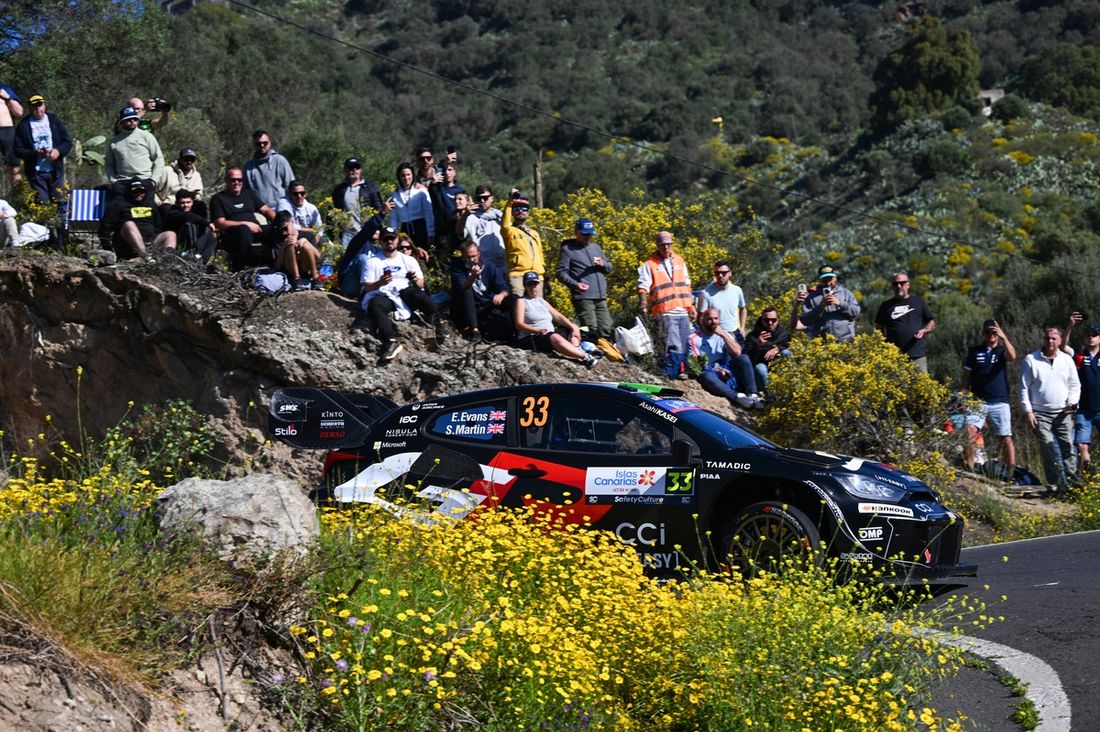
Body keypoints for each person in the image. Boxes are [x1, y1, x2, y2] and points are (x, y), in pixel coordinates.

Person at [360, 227, 441, 361]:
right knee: (375, 305)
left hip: (404, 291)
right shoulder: (372, 261)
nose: (389, 242)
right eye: (386, 239)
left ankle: (438, 322)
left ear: (397, 240)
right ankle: (390, 340)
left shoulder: (408, 260)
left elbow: (421, 284)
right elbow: (367, 287)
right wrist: (379, 283)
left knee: (417, 294)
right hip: (384, 293)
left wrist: (415, 279)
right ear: (381, 242)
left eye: (392, 239)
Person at [1020, 326, 1080, 489]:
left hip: (1063, 412)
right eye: (1048, 338)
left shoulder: (1067, 360)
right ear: (1044, 339)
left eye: (1054, 338)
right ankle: (1056, 484)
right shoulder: (1031, 360)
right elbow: (1024, 388)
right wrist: (1028, 411)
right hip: (1040, 413)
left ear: (1060, 341)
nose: (1051, 341)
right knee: (1047, 445)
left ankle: (1073, 485)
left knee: (1067, 446)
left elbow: (1075, 385)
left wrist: (1072, 403)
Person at [960, 319, 1017, 475]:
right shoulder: (975, 351)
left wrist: (1004, 337)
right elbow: (966, 375)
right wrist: (964, 396)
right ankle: (971, 468)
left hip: (999, 401)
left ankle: (1011, 473)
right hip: (977, 400)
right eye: (987, 332)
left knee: (1005, 437)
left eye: (994, 332)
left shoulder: (1001, 350)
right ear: (983, 333)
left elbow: (1012, 356)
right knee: (970, 430)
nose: (991, 335)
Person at [637, 230, 695, 379]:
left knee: (685, 341)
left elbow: (687, 284)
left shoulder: (679, 261)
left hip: (682, 308)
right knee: (672, 344)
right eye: (663, 245)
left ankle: (683, 370)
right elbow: (643, 286)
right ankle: (671, 373)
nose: (666, 247)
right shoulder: (650, 264)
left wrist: (691, 306)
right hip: (665, 310)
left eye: (668, 244)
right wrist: (643, 302)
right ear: (657, 245)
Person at [12, 95, 72, 236]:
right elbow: (18, 150)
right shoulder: (24, 125)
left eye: (39, 105)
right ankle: (42, 238)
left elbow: (67, 142)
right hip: (36, 173)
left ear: (44, 105)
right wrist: (34, 154)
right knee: (41, 204)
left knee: (61, 202)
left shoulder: (54, 121)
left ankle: (63, 237)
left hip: (55, 171)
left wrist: (58, 151)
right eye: (34, 105)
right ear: (29, 107)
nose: (37, 108)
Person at [514, 271, 601, 368]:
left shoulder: (541, 301)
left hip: (548, 334)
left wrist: (572, 327)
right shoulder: (521, 301)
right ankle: (585, 357)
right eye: (529, 284)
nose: (533, 287)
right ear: (524, 286)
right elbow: (519, 324)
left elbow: (558, 316)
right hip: (533, 336)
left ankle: (577, 349)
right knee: (555, 336)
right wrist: (537, 330)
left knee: (571, 329)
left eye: (535, 284)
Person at [690, 308, 765, 409]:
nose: (713, 322)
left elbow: (737, 352)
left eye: (716, 318)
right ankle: (737, 397)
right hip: (710, 371)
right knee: (705, 375)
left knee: (743, 358)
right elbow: (696, 365)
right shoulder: (694, 338)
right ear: (703, 320)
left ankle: (752, 394)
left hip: (727, 368)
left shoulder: (725, 334)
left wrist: (723, 335)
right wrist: (716, 369)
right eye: (709, 319)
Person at [210, 166, 276, 271]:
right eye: (233, 180)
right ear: (226, 181)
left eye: (239, 180)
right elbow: (220, 223)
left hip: (255, 229)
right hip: (233, 234)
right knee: (243, 230)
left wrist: (281, 222)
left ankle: (280, 267)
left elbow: (266, 210)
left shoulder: (249, 194)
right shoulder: (218, 199)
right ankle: (245, 270)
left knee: (278, 231)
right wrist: (245, 224)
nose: (237, 183)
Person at [556, 218, 612, 341]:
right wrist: (576, 285)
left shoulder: (596, 247)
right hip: (583, 297)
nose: (587, 237)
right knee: (591, 329)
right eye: (584, 234)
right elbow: (561, 272)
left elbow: (609, 268)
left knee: (606, 328)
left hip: (600, 296)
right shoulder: (567, 249)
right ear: (576, 232)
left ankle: (607, 354)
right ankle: (591, 352)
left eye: (590, 234)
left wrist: (603, 264)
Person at [450, 239, 514, 342]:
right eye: (468, 257)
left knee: (514, 299)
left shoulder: (488, 266)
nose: (472, 259)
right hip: (469, 306)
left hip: (487, 301)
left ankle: (519, 331)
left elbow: (504, 288)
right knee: (467, 290)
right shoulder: (457, 267)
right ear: (462, 257)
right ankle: (474, 330)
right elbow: (463, 286)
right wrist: (473, 276)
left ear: (479, 253)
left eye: (474, 256)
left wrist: (501, 295)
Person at [98, 178, 173, 261]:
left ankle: (168, 259)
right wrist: (107, 246)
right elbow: (106, 225)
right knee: (129, 224)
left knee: (170, 234)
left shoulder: (150, 203)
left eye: (141, 192)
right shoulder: (119, 203)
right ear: (130, 192)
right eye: (135, 192)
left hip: (149, 243)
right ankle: (145, 257)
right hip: (127, 243)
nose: (139, 194)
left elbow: (158, 225)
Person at [874, 271, 936, 372]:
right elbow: (878, 329)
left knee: (921, 386)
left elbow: (931, 323)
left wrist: (924, 331)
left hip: (916, 356)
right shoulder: (886, 306)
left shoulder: (918, 301)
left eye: (902, 283)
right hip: (894, 357)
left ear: (908, 285)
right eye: (895, 284)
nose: (898, 286)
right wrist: (883, 347)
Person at [1064, 315, 1100, 471]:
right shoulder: (1079, 355)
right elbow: (1063, 346)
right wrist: (1070, 325)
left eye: (1094, 335)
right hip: (1084, 409)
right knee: (1081, 444)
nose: (1091, 338)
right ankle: (1088, 476)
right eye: (1088, 336)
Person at [337, 201, 395, 298]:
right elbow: (368, 229)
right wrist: (382, 213)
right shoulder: (359, 242)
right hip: (350, 285)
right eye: (375, 228)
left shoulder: (378, 251)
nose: (376, 231)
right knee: (363, 259)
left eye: (379, 229)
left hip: (371, 286)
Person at [105, 106, 164, 199]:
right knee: (115, 209)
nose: (132, 121)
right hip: (123, 182)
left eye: (135, 119)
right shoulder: (114, 141)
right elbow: (109, 164)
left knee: (150, 210)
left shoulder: (147, 136)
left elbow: (158, 159)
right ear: (122, 122)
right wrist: (114, 181)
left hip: (145, 180)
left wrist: (153, 180)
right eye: (128, 119)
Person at [791, 264, 860, 342]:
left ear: (835, 278)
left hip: (846, 341)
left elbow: (856, 313)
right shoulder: (812, 297)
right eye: (824, 280)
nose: (827, 283)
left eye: (830, 279)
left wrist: (840, 303)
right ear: (820, 280)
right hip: (822, 344)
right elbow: (805, 321)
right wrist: (820, 307)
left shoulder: (846, 293)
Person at [332, 157, 383, 247]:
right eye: (351, 167)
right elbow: (334, 210)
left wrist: (377, 229)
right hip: (346, 234)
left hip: (367, 231)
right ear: (346, 170)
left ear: (361, 170)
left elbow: (379, 208)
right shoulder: (339, 189)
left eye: (357, 167)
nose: (354, 170)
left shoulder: (370, 187)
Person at [502, 191, 545, 295]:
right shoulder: (509, 230)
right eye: (516, 208)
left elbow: (540, 255)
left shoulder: (534, 233)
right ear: (512, 212)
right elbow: (505, 224)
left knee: (536, 306)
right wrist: (510, 202)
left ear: (528, 212)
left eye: (524, 208)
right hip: (518, 274)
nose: (520, 211)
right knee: (518, 303)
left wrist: (544, 276)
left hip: (537, 275)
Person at [243, 130, 295, 209]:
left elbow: (290, 185)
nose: (262, 145)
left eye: (265, 143)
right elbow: (245, 192)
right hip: (258, 211)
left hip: (280, 209)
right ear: (254, 145)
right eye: (258, 143)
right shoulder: (248, 166)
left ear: (270, 142)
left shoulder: (280, 160)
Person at [162, 189, 216, 263]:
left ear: (192, 202)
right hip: (180, 245)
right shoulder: (173, 212)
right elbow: (187, 216)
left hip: (197, 242)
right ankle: (191, 253)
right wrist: (207, 223)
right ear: (177, 203)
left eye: (188, 202)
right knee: (189, 225)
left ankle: (203, 260)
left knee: (212, 234)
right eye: (182, 203)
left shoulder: (196, 210)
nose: (185, 205)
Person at [745, 307, 792, 390]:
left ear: (778, 320)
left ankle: (790, 388)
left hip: (778, 363)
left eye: (773, 320)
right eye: (766, 320)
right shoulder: (753, 336)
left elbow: (789, 345)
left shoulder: (783, 332)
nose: (770, 323)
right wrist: (758, 345)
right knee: (760, 369)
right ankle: (769, 396)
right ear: (762, 320)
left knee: (786, 353)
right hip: (762, 363)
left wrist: (778, 349)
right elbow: (748, 357)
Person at [273, 210, 321, 291]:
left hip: (306, 268)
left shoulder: (307, 235)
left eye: (285, 228)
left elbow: (318, 257)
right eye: (281, 230)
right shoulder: (279, 239)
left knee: (304, 245)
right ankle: (297, 279)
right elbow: (277, 265)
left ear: (292, 222)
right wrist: (283, 247)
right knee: (290, 245)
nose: (284, 233)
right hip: (290, 270)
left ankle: (316, 278)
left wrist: (306, 242)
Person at [390, 162, 435, 249]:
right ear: (399, 177)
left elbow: (429, 214)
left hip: (421, 228)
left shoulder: (421, 191)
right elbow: (394, 218)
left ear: (413, 175)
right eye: (403, 175)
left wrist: (431, 234)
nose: (406, 178)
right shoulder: (395, 194)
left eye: (408, 174)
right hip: (405, 230)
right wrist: (393, 236)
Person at [696, 259, 746, 336]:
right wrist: (706, 333)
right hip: (715, 334)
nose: (720, 276)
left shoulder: (737, 290)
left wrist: (742, 327)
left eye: (723, 273)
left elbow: (743, 308)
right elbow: (700, 317)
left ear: (730, 273)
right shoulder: (706, 294)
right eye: (717, 273)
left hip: (734, 333)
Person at [464, 184, 505, 271]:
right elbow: (460, 233)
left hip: (502, 262)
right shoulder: (471, 218)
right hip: (482, 263)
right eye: (479, 198)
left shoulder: (500, 216)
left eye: (485, 198)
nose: (482, 201)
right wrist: (465, 215)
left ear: (492, 198)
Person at [276, 181, 324, 246]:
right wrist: (310, 230)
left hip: (310, 239)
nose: (299, 196)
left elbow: (319, 229)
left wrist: (313, 244)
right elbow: (286, 225)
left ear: (306, 194)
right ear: (289, 194)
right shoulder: (283, 203)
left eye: (302, 193)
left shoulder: (312, 208)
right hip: (291, 237)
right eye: (295, 194)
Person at [159, 147, 204, 213]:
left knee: (201, 205)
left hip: (188, 206)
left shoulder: (196, 175)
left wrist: (195, 196)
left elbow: (199, 194)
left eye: (192, 159)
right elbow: (153, 189)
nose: (189, 162)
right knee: (165, 208)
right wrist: (158, 202)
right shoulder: (167, 171)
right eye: (186, 159)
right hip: (170, 205)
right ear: (180, 159)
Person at [0, 82, 23, 182]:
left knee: (14, 167)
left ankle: (19, 195)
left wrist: (7, 98)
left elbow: (19, 112)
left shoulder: (4, 88)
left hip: (6, 131)